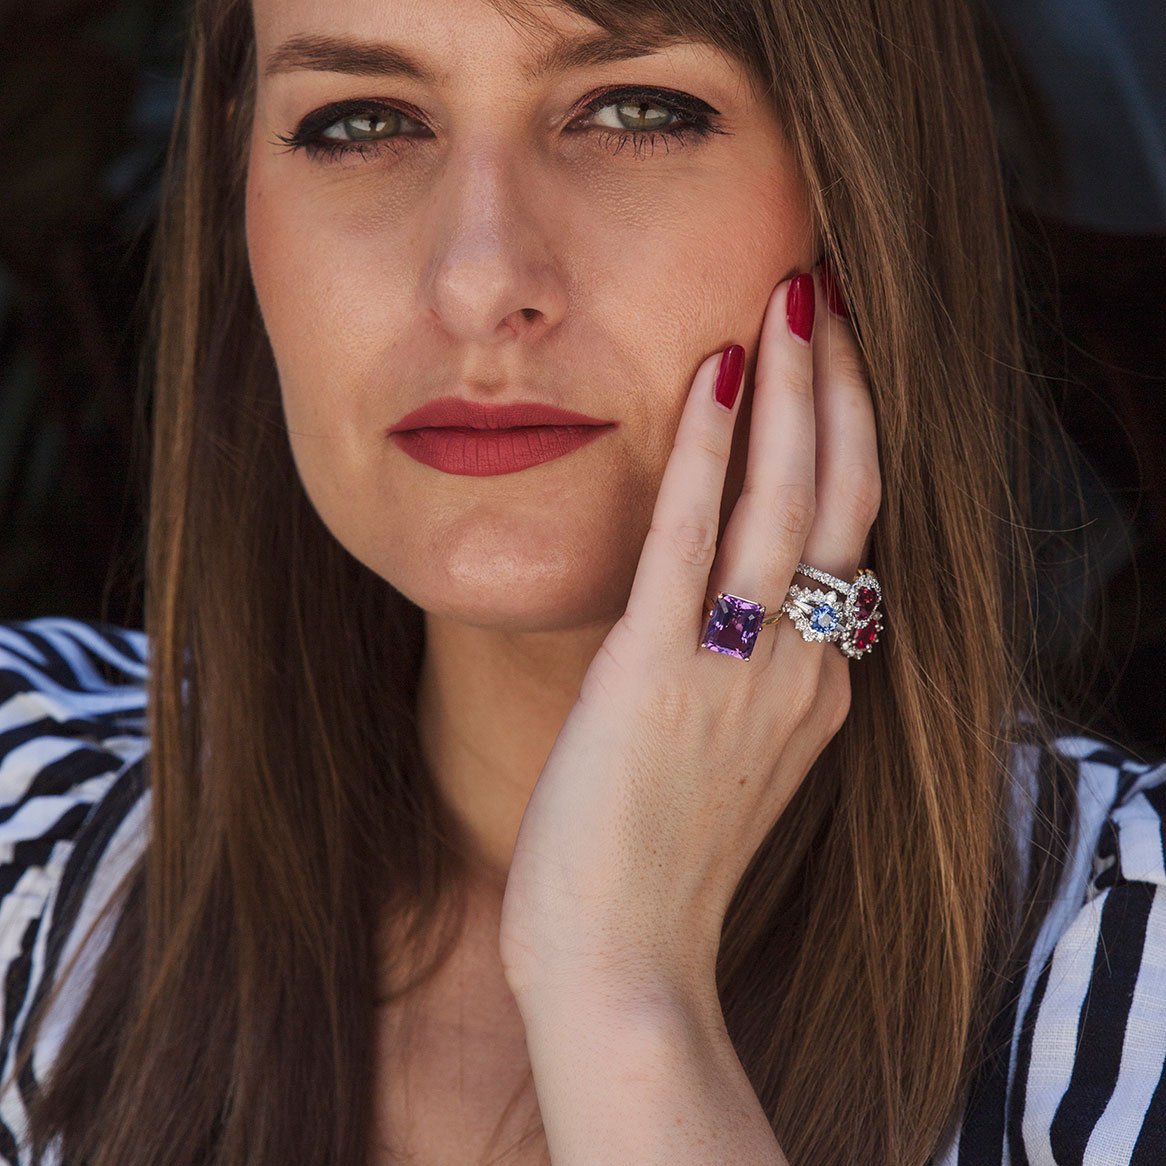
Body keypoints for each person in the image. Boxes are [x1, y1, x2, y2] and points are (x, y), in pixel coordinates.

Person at [0, 0, 1163, 1163]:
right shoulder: (31, 821)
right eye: (359, 121)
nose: (477, 281)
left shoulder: (1133, 961)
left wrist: (617, 987)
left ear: (856, 195)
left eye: (635, 110)